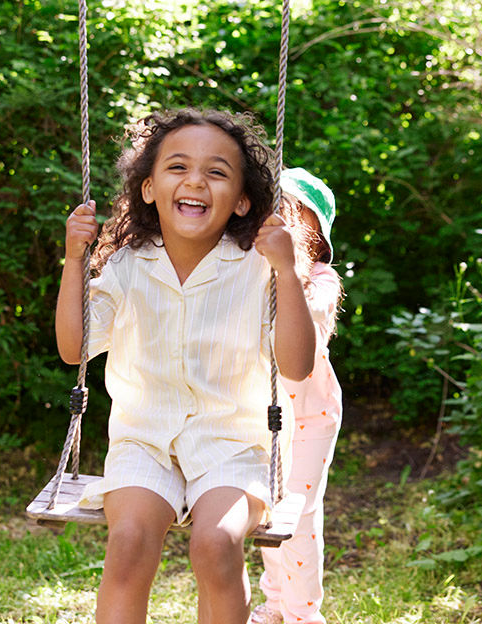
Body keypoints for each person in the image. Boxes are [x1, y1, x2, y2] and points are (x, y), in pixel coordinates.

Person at [56, 108, 316, 624]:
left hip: (234, 446)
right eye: (178, 167)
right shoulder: (128, 265)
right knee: (129, 542)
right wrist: (74, 259)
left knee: (216, 544)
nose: (195, 181)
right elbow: (73, 349)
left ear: (242, 200)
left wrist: (287, 271)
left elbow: (297, 366)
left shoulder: (258, 268)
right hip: (143, 443)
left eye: (216, 172)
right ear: (149, 188)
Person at [251, 168, 343, 624]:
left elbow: (312, 318)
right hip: (263, 413)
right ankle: (275, 603)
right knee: (268, 513)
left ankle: (304, 615)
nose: (280, 215)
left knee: (298, 515)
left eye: (292, 208)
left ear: (315, 231)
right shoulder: (252, 270)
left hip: (309, 414)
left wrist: (286, 271)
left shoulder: (321, 279)